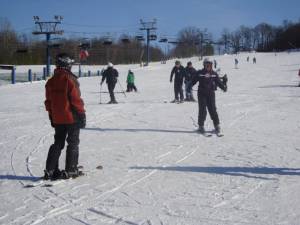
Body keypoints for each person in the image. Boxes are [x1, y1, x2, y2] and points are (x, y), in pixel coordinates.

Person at [44, 53, 86, 180]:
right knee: (73, 142)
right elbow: (75, 99)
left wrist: (52, 116)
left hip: (58, 118)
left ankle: (50, 169)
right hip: (71, 116)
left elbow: (48, 101)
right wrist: (81, 114)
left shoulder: (51, 81)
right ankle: (71, 169)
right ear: (67, 65)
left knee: (58, 142)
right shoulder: (70, 79)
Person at [191, 58, 227, 134]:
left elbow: (218, 82)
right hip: (201, 94)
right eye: (206, 64)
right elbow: (193, 81)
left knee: (213, 109)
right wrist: (189, 86)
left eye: (210, 65)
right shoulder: (200, 73)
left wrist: (223, 87)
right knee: (202, 110)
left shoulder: (214, 73)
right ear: (204, 65)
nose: (208, 66)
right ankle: (201, 126)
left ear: (211, 65)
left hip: (211, 94)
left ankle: (217, 125)